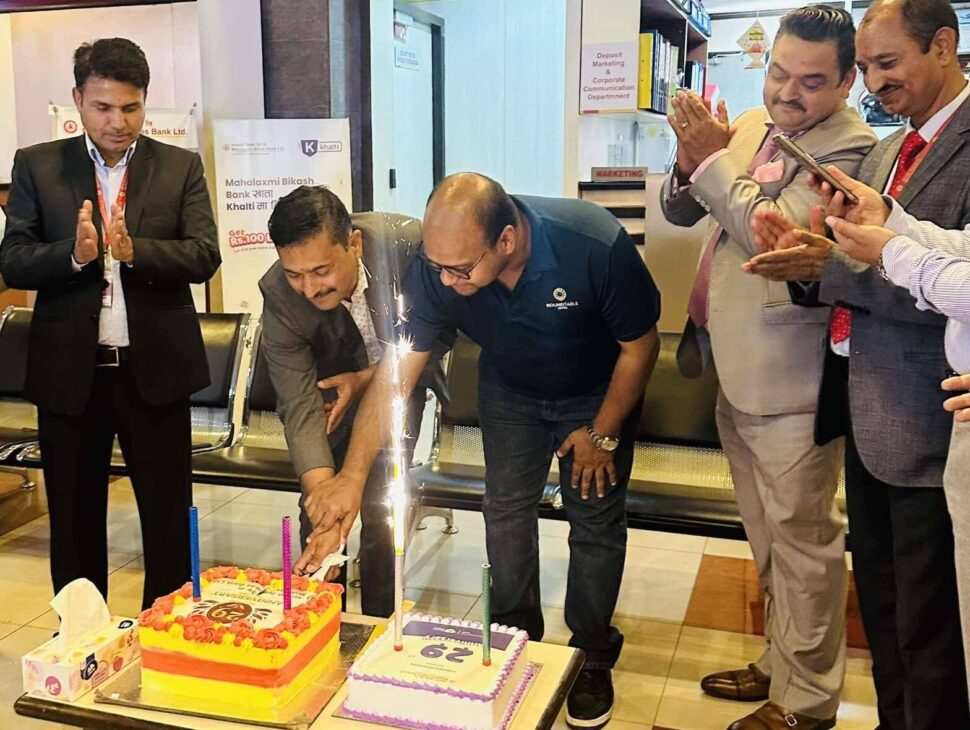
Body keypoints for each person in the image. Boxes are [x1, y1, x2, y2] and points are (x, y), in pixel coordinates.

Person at [295, 172, 661, 729]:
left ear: (506, 240)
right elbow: (397, 372)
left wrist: (603, 434)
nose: (447, 280)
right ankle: (518, 638)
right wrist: (351, 476)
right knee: (506, 512)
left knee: (593, 521)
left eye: (461, 269)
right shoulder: (439, 267)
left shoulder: (591, 242)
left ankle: (591, 655)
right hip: (510, 391)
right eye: (438, 266)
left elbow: (641, 346)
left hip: (596, 391)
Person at [742, 1, 970, 725]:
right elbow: (853, 257)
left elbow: (952, 289)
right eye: (867, 67)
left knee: (931, 628)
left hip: (934, 422)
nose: (874, 82)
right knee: (883, 608)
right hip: (867, 412)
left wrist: (833, 267)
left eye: (887, 63)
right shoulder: (889, 149)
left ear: (943, 45)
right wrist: (806, 256)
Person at [661, 7, 875, 729]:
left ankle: (806, 704)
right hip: (737, 364)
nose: (787, 92)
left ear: (845, 82)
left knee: (805, 548)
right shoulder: (753, 123)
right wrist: (688, 161)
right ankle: (782, 662)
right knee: (766, 537)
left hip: (794, 382)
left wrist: (712, 161)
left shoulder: (853, 148)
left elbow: (770, 234)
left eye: (811, 81)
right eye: (779, 72)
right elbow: (688, 210)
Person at [0, 38, 220, 610]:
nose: (118, 122)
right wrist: (73, 256)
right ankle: (81, 641)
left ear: (145, 101)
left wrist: (134, 250)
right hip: (70, 376)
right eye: (103, 107)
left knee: (167, 523)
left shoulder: (179, 167)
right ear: (77, 99)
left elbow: (204, 254)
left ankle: (164, 636)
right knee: (74, 524)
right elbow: (13, 259)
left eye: (131, 107)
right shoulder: (38, 165)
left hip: (154, 373)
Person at [259, 186, 452, 616]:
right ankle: (324, 628)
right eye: (295, 274)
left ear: (355, 244)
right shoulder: (279, 294)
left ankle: (382, 626)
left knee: (383, 510)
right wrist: (325, 501)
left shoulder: (408, 249)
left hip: (400, 391)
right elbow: (297, 401)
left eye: (321, 270)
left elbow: (438, 335)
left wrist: (366, 380)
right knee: (319, 511)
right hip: (330, 401)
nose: (309, 288)